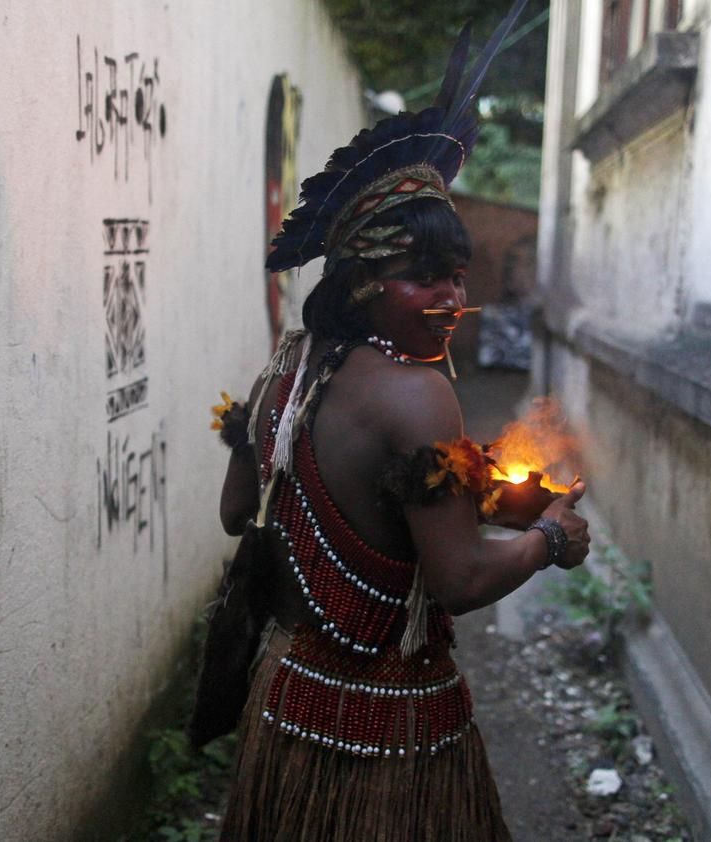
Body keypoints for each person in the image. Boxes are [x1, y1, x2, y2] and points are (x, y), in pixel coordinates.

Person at [210, 5, 590, 839]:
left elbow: (241, 513)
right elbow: (457, 583)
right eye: (423, 277)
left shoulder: (286, 367)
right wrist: (551, 538)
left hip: (286, 707)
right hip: (392, 731)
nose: (453, 299)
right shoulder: (420, 394)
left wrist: (487, 495)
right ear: (359, 281)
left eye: (457, 275)